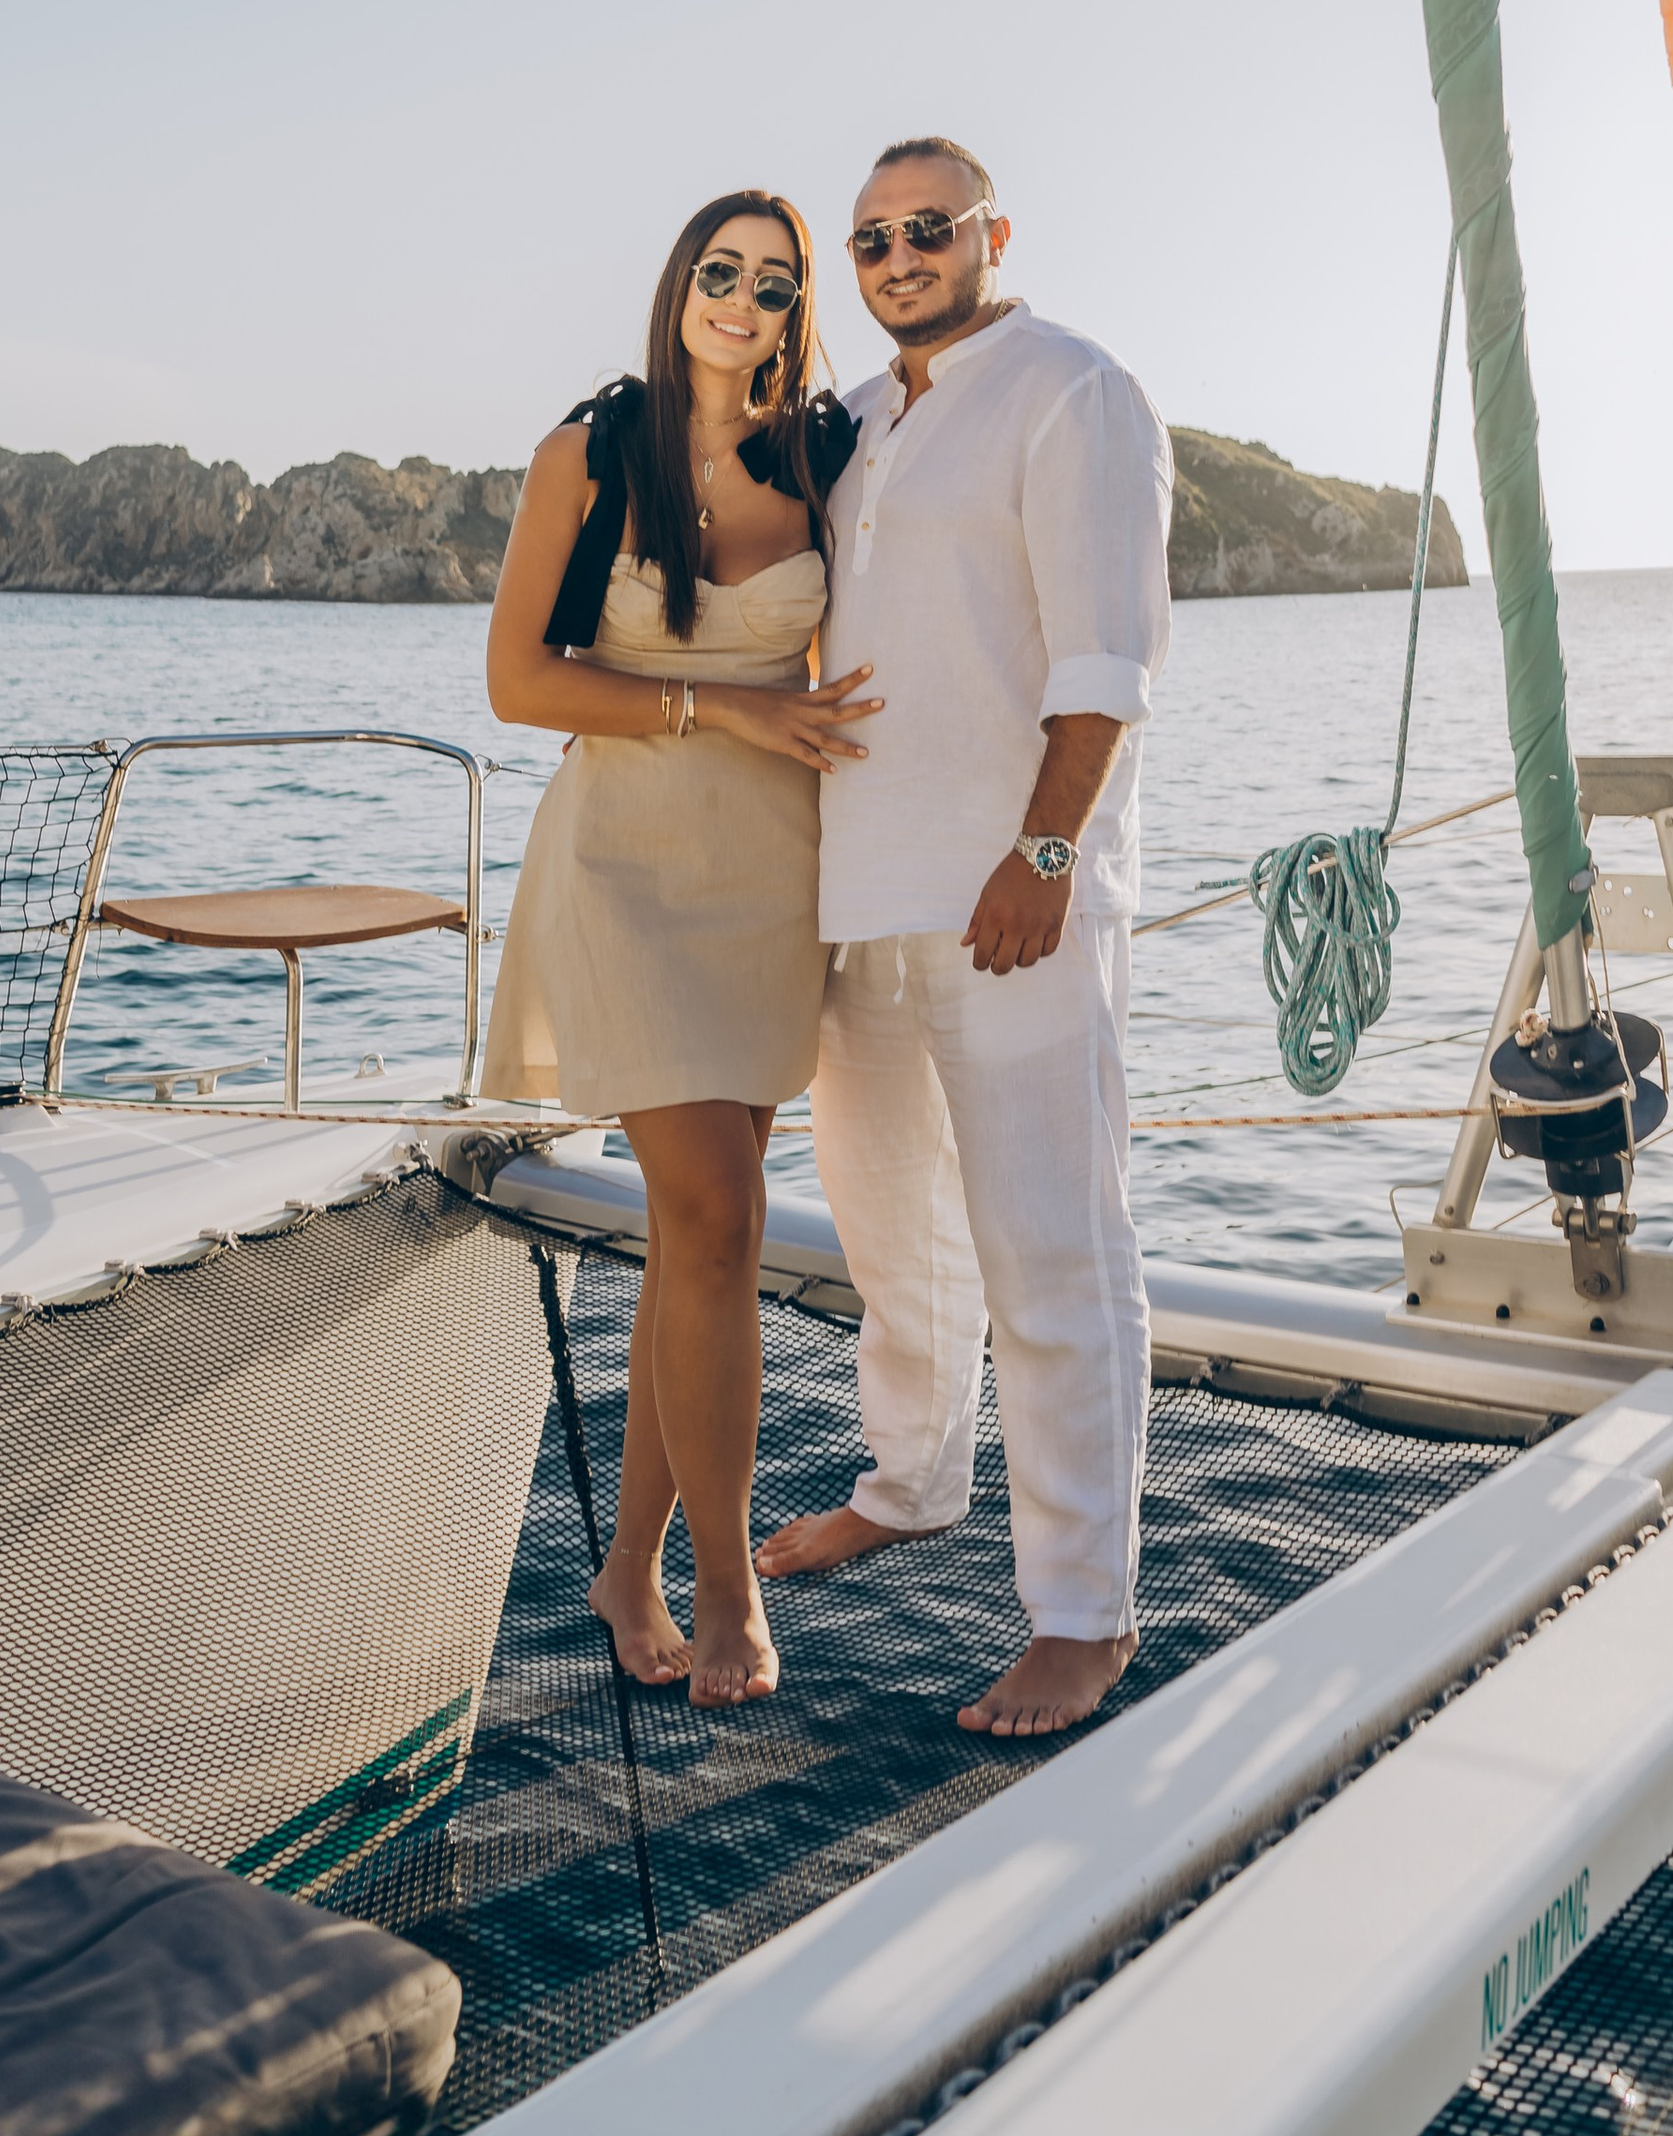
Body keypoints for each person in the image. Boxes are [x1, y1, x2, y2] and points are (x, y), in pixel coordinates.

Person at [754, 141, 1173, 1738]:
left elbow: (1106, 655)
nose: (898, 255)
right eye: (872, 238)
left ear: (991, 233)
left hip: (1017, 896)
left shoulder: (1074, 391)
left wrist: (1047, 851)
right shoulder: (857, 421)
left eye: (929, 229)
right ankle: (915, 1483)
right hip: (860, 894)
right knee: (891, 1239)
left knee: (1053, 1254)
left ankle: (1083, 1611)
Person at [484, 191, 873, 1707]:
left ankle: (627, 1563)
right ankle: (726, 1591)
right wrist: (728, 707)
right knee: (713, 1209)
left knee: (692, 1238)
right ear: (680, 286)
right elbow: (520, 680)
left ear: (793, 313)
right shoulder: (590, 450)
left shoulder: (828, 460)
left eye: (773, 285)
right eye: (721, 272)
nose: (743, 300)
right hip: (626, 868)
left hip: (776, 874)